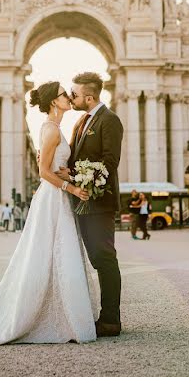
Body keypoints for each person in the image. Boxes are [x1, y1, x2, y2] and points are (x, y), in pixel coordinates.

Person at [0, 81, 98, 347]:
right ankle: (57, 316)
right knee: (52, 252)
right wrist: (73, 188)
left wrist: (71, 175)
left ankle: (64, 314)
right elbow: (43, 172)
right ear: (53, 102)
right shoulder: (50, 130)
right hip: (53, 198)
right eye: (63, 95)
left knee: (59, 253)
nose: (69, 98)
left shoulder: (55, 128)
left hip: (58, 197)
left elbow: (54, 168)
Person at [61, 71, 125, 337]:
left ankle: (110, 320)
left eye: (74, 94)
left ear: (89, 97)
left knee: (104, 258)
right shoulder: (81, 122)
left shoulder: (109, 120)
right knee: (90, 259)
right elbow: (75, 158)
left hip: (99, 202)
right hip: (81, 201)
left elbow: (110, 162)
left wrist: (76, 177)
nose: (70, 97)